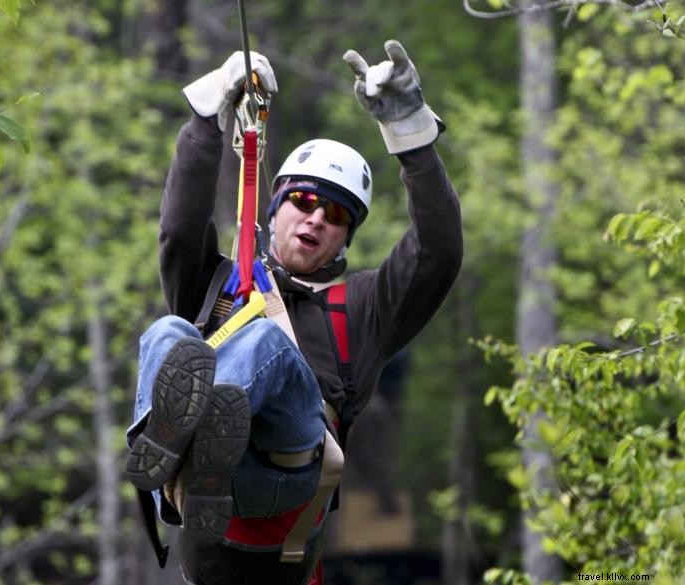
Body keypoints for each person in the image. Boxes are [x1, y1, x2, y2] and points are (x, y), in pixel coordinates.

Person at [125, 40, 463, 585]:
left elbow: (438, 253)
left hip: (281, 497)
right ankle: (172, 448)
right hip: (204, 515)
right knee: (167, 331)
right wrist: (208, 112)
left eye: (335, 215)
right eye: (304, 202)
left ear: (346, 237)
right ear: (275, 204)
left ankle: (206, 431)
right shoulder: (219, 285)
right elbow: (180, 228)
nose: (315, 220)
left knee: (267, 346)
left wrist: (412, 136)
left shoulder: (363, 308)